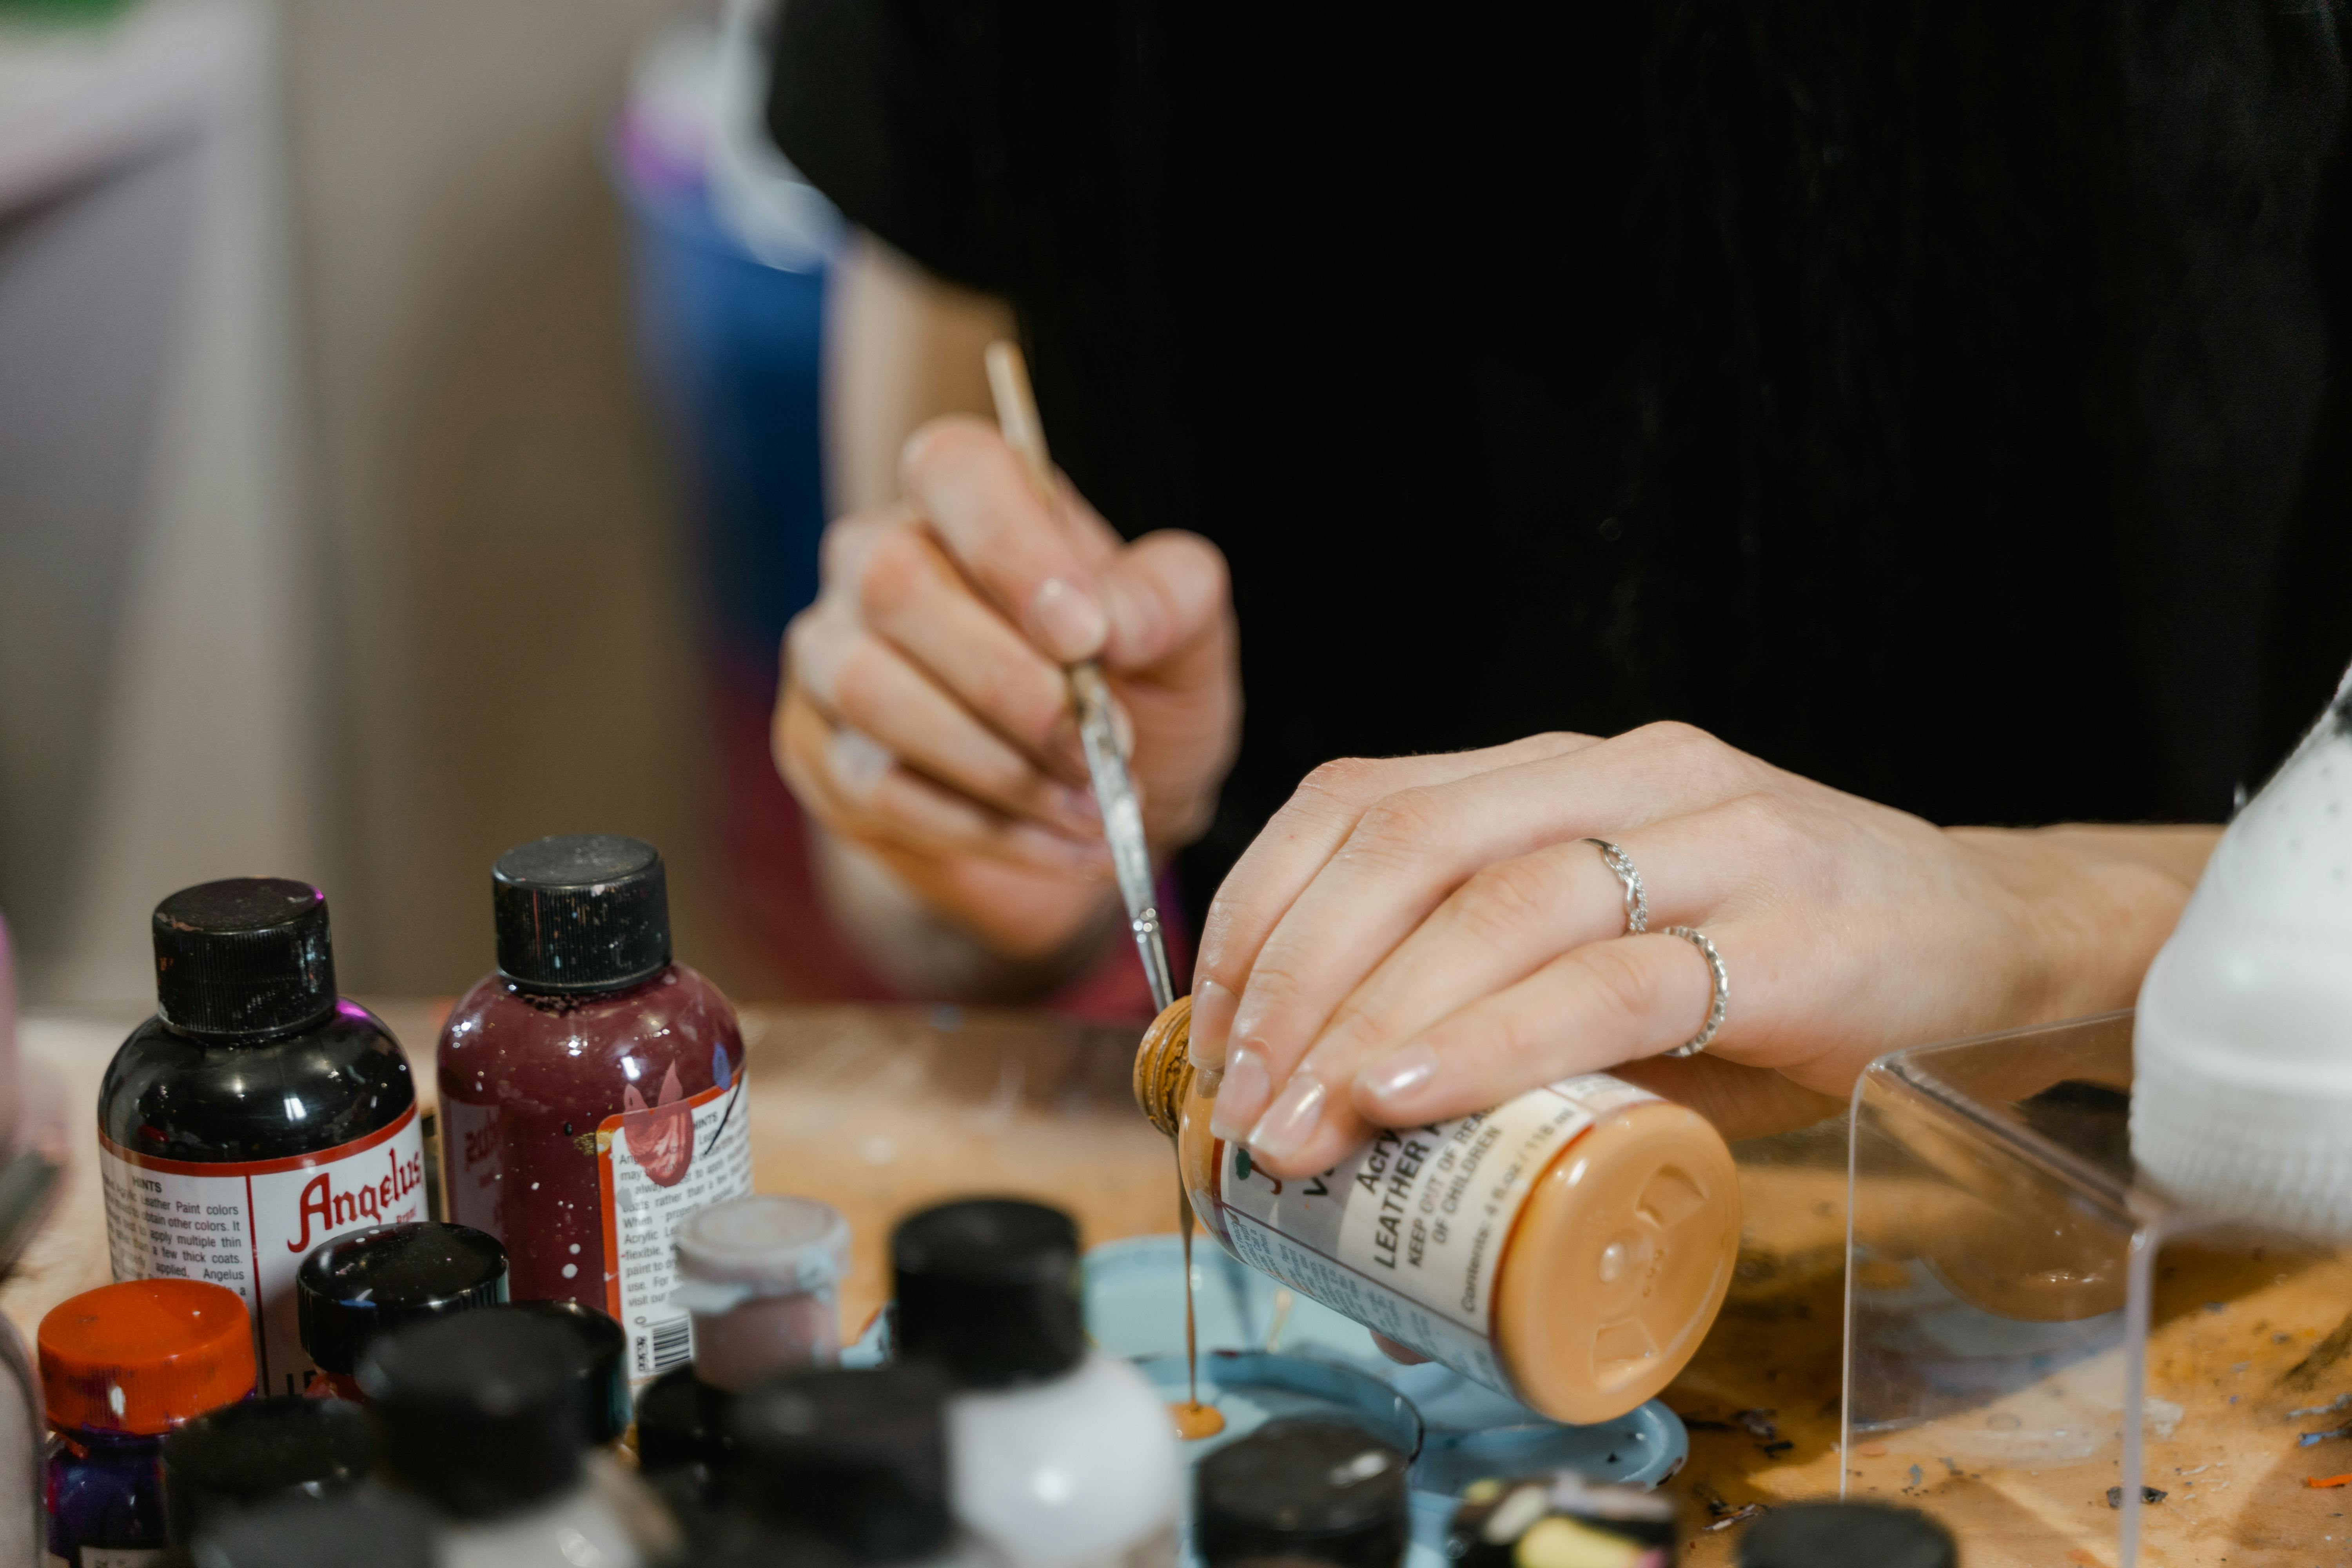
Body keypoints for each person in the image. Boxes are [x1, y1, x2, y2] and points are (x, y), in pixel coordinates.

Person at [763, 6, 2352, 1162]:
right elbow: (920, 909)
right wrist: (996, 801)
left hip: (2158, 1269)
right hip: (1379, 1291)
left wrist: (2052, 931)